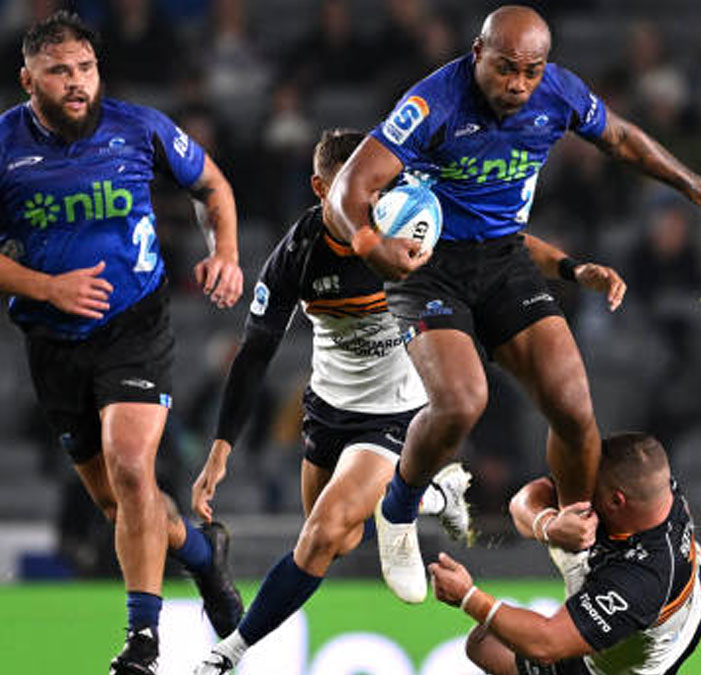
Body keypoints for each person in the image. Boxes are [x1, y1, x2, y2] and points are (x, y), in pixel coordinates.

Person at [325, 5, 701, 604]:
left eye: (530, 71)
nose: (518, 84)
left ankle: (579, 551)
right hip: (429, 268)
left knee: (575, 409)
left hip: (504, 259)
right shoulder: (433, 103)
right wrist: (370, 243)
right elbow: (350, 187)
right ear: (477, 54)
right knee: (462, 402)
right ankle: (398, 511)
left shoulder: (560, 93)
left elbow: (620, 138)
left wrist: (697, 188)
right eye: (505, 68)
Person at [189, 128, 629, 674]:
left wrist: (569, 268)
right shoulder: (299, 253)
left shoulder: (416, 217)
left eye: (375, 188)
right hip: (328, 409)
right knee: (340, 540)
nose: (368, 202)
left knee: (321, 534)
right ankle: (431, 496)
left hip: (396, 415)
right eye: (352, 191)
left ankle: (228, 652)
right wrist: (220, 451)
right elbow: (255, 352)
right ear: (322, 190)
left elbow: (503, 247)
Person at [0, 12, 245, 674]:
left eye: (85, 68)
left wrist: (224, 251)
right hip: (53, 340)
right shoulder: (4, 148)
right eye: (59, 71)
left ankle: (144, 639)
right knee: (118, 503)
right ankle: (202, 555)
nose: (77, 82)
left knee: (134, 467)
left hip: (135, 322)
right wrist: (47, 287)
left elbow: (212, 185)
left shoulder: (139, 127)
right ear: (28, 80)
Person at [428, 432, 701, 675]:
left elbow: (545, 644)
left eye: (592, 490)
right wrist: (547, 525)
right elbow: (522, 502)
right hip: (679, 610)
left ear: (616, 500)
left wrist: (467, 597)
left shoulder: (642, 580)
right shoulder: (654, 487)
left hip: (623, 668)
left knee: (483, 644)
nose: (584, 494)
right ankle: (698, 576)